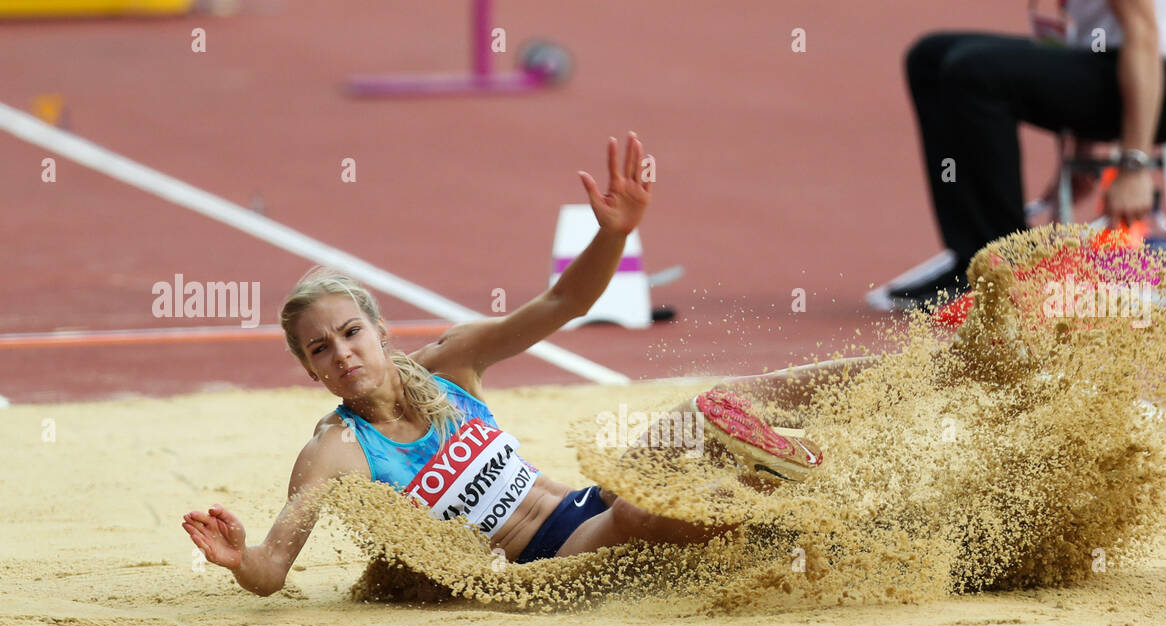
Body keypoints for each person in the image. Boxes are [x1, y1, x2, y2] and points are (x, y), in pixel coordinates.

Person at [181, 133, 827, 597]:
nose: (343, 354)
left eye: (352, 333)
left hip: (583, 502)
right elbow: (273, 568)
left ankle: (865, 401)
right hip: (553, 559)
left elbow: (564, 300)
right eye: (321, 349)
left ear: (381, 332)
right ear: (310, 371)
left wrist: (614, 233)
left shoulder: (447, 365)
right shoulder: (335, 453)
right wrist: (241, 560)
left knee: (696, 415)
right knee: (641, 511)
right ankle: (802, 518)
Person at [882, 0, 1166, 309]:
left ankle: (1007, 269)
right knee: (930, 58)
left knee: (973, 73)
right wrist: (1085, 149)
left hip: (1165, 81)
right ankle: (974, 262)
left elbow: (1143, 34)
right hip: (1111, 67)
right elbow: (1083, 40)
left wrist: (1133, 165)